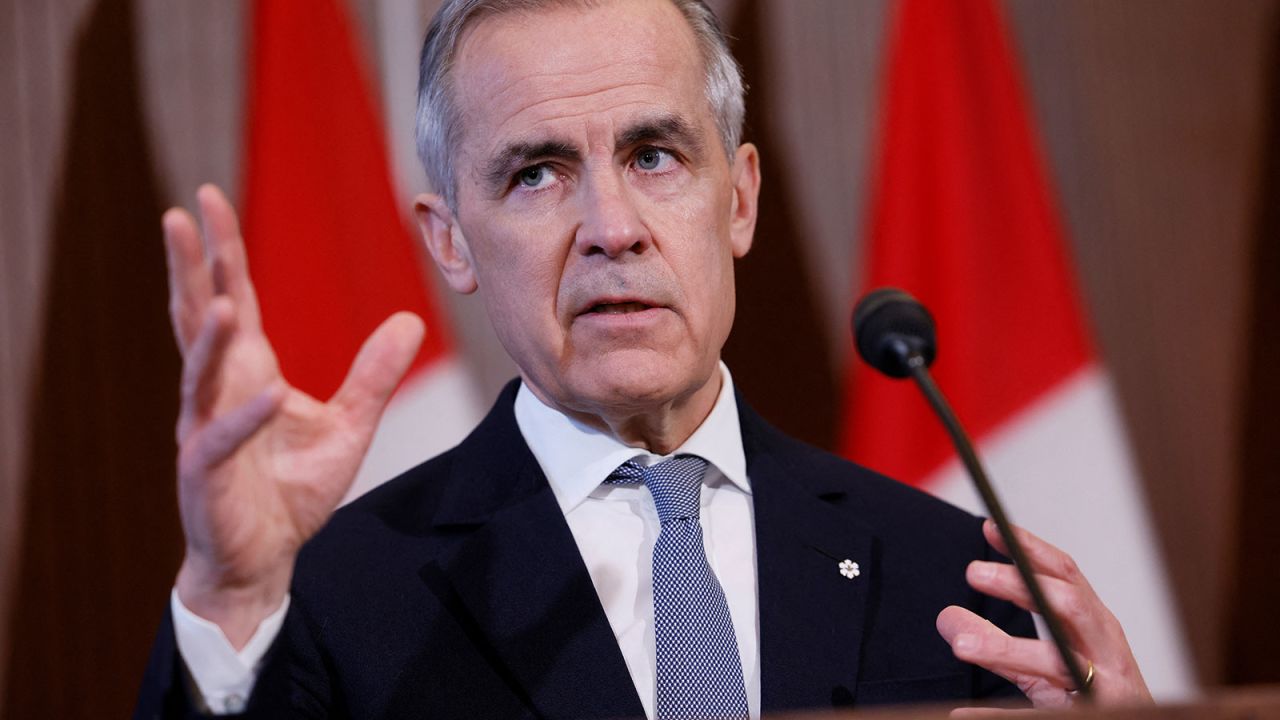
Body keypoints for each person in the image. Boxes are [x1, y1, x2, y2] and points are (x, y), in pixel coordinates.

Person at [136, 0, 1152, 717]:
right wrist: (229, 601)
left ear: (739, 197)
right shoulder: (329, 597)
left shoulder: (948, 575)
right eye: (537, 174)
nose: (609, 227)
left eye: (653, 156)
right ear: (449, 240)